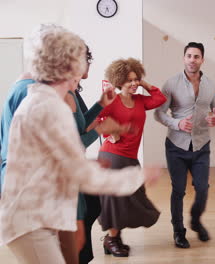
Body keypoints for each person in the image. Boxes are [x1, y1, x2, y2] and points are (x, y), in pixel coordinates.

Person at [0, 24, 160, 264]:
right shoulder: (46, 106)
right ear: (67, 66)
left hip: (38, 213)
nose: (85, 66)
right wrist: (136, 176)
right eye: (81, 59)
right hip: (27, 219)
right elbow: (80, 173)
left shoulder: (47, 98)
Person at [154, 42, 215, 249]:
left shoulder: (210, 84)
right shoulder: (171, 83)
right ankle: (178, 230)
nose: (192, 60)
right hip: (176, 145)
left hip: (202, 144)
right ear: (184, 58)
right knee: (178, 190)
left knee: (202, 188)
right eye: (189, 56)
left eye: (196, 56)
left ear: (202, 59)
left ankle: (195, 220)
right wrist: (177, 123)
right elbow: (158, 113)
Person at [64, 46, 128, 263]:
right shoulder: (61, 96)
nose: (86, 74)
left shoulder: (72, 92)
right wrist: (101, 129)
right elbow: (73, 142)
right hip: (65, 173)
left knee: (92, 206)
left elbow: (82, 125)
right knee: (87, 211)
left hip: (76, 166)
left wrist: (101, 104)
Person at [98, 58, 166, 257]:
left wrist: (143, 83)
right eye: (129, 80)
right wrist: (112, 133)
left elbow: (159, 98)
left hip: (129, 156)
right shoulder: (113, 101)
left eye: (136, 79)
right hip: (112, 155)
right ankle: (112, 239)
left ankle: (113, 238)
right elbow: (95, 119)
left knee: (132, 197)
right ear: (119, 82)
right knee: (117, 199)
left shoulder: (139, 101)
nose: (134, 83)